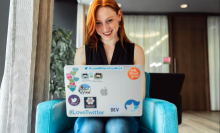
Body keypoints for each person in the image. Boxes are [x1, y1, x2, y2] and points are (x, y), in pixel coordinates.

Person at [74, 0, 145, 132]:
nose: (105, 29)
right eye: (98, 23)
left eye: (109, 20)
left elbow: (139, 92)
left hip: (124, 115)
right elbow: (78, 91)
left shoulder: (136, 51)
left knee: (117, 127)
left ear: (119, 15)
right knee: (90, 127)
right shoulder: (82, 53)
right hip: (90, 115)